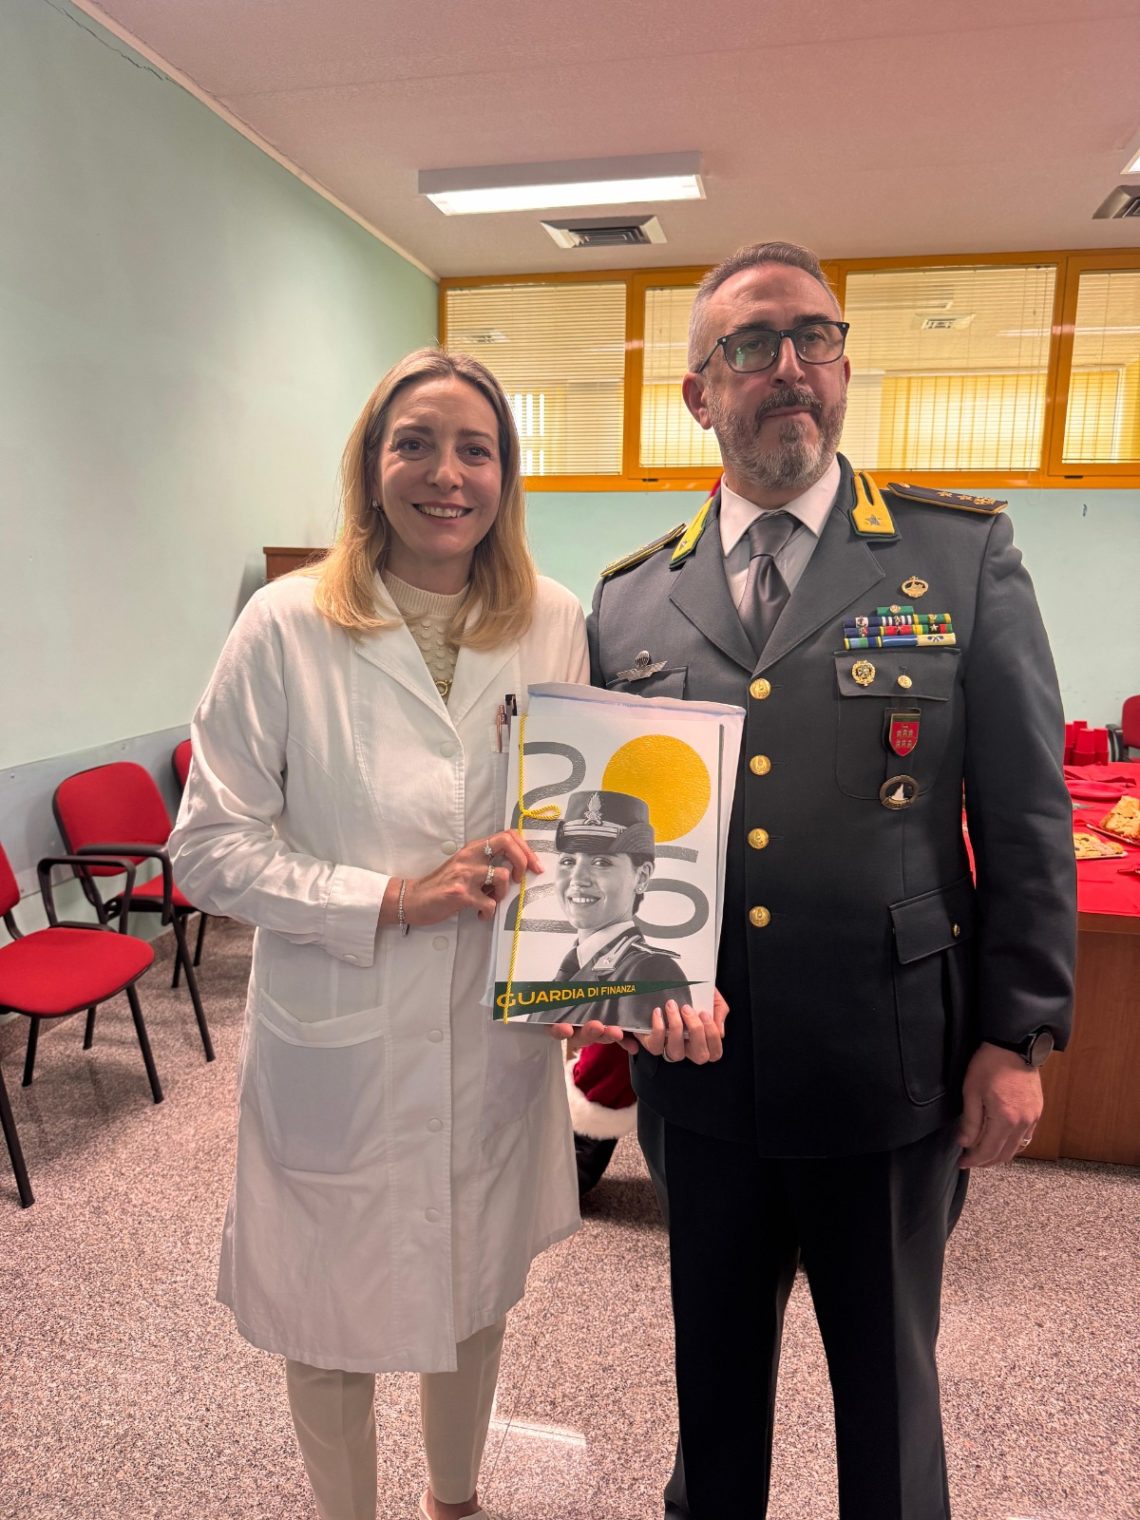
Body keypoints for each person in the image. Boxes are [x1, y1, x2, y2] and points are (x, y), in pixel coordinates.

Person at [169, 347, 723, 1520]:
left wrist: (592, 968)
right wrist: (391, 898)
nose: (445, 473)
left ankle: (455, 1499)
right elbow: (207, 849)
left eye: (476, 448)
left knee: (477, 1290)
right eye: (413, 443)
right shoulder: (284, 623)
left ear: (505, 475)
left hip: (489, 1029)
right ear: (371, 465)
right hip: (339, 1029)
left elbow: (583, 823)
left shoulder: (553, 619)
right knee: (324, 1315)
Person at [587, 243, 1076, 1520]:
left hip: (890, 1068)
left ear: (845, 366)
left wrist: (1018, 1033)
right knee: (714, 1397)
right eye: (752, 346)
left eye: (817, 336)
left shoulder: (957, 557)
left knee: (890, 1402)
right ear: (699, 394)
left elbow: (1026, 815)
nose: (791, 366)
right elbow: (615, 844)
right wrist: (609, 981)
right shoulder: (632, 601)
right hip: (701, 1078)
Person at [520, 789, 691, 1027]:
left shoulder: (650, 972)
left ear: (642, 876)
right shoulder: (572, 971)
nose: (577, 879)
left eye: (601, 862)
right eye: (568, 861)